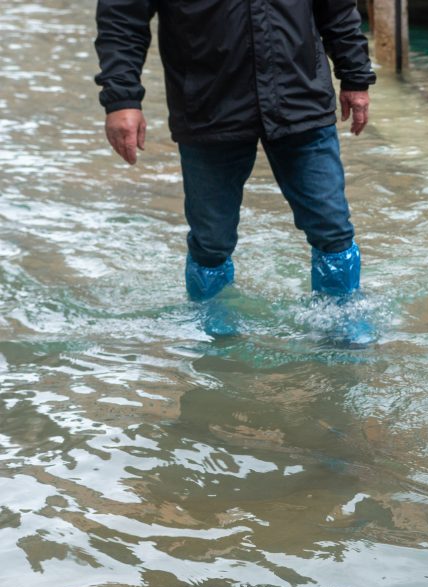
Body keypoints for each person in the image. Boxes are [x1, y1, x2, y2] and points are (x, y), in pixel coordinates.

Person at [95, 0, 376, 341]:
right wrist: (122, 99)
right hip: (208, 106)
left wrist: (355, 75)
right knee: (211, 241)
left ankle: (342, 331)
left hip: (301, 97)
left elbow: (336, 7)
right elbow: (122, 18)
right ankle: (215, 335)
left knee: (332, 228)